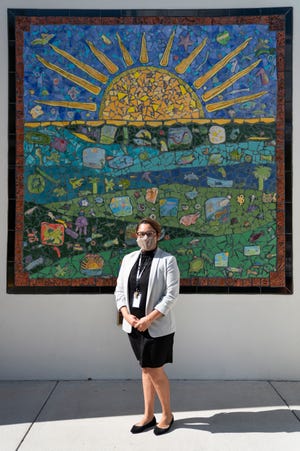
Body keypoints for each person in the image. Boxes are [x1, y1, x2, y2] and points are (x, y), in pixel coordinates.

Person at [115, 218, 180, 435]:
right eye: (142, 234)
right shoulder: (128, 259)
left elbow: (171, 296)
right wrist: (126, 315)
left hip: (156, 326)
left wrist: (148, 319)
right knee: (145, 369)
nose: (146, 237)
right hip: (133, 325)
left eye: (150, 233)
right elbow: (120, 292)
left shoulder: (167, 260)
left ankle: (167, 415)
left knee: (154, 369)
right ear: (136, 236)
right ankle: (148, 415)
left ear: (158, 235)